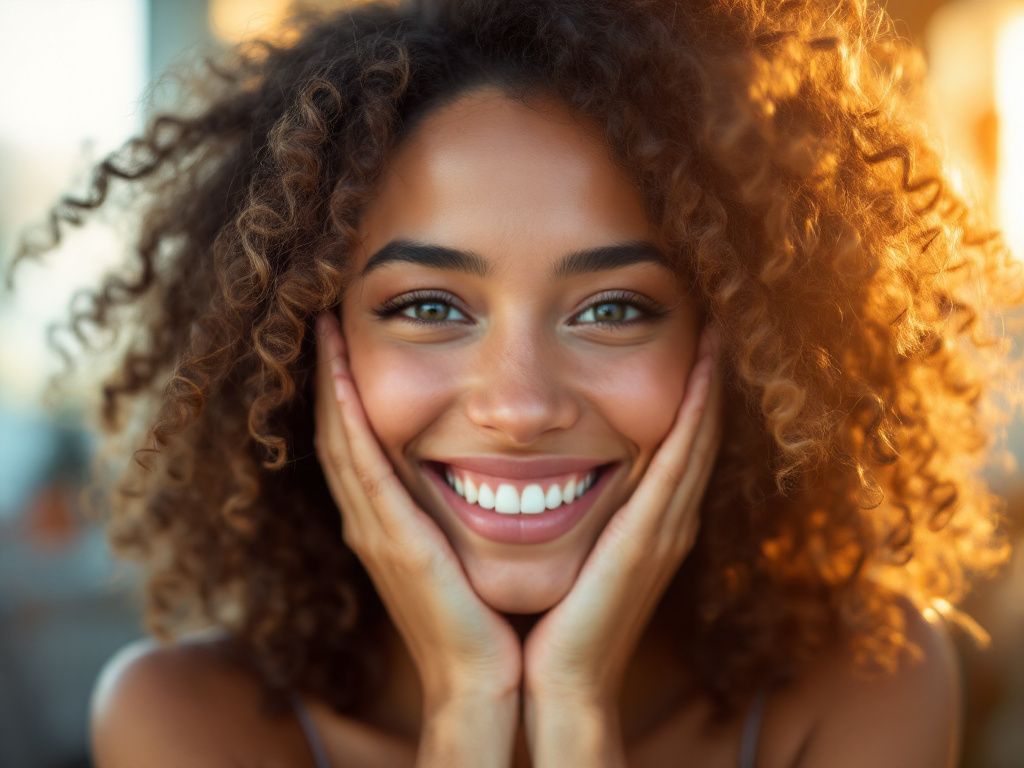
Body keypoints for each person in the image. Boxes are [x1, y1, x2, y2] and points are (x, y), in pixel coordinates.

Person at [9, 0, 1023, 765]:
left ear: (746, 346)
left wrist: (574, 713)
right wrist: (467, 711)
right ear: (299, 346)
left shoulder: (860, 686)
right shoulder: (188, 722)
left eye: (614, 309)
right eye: (430, 307)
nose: (521, 403)